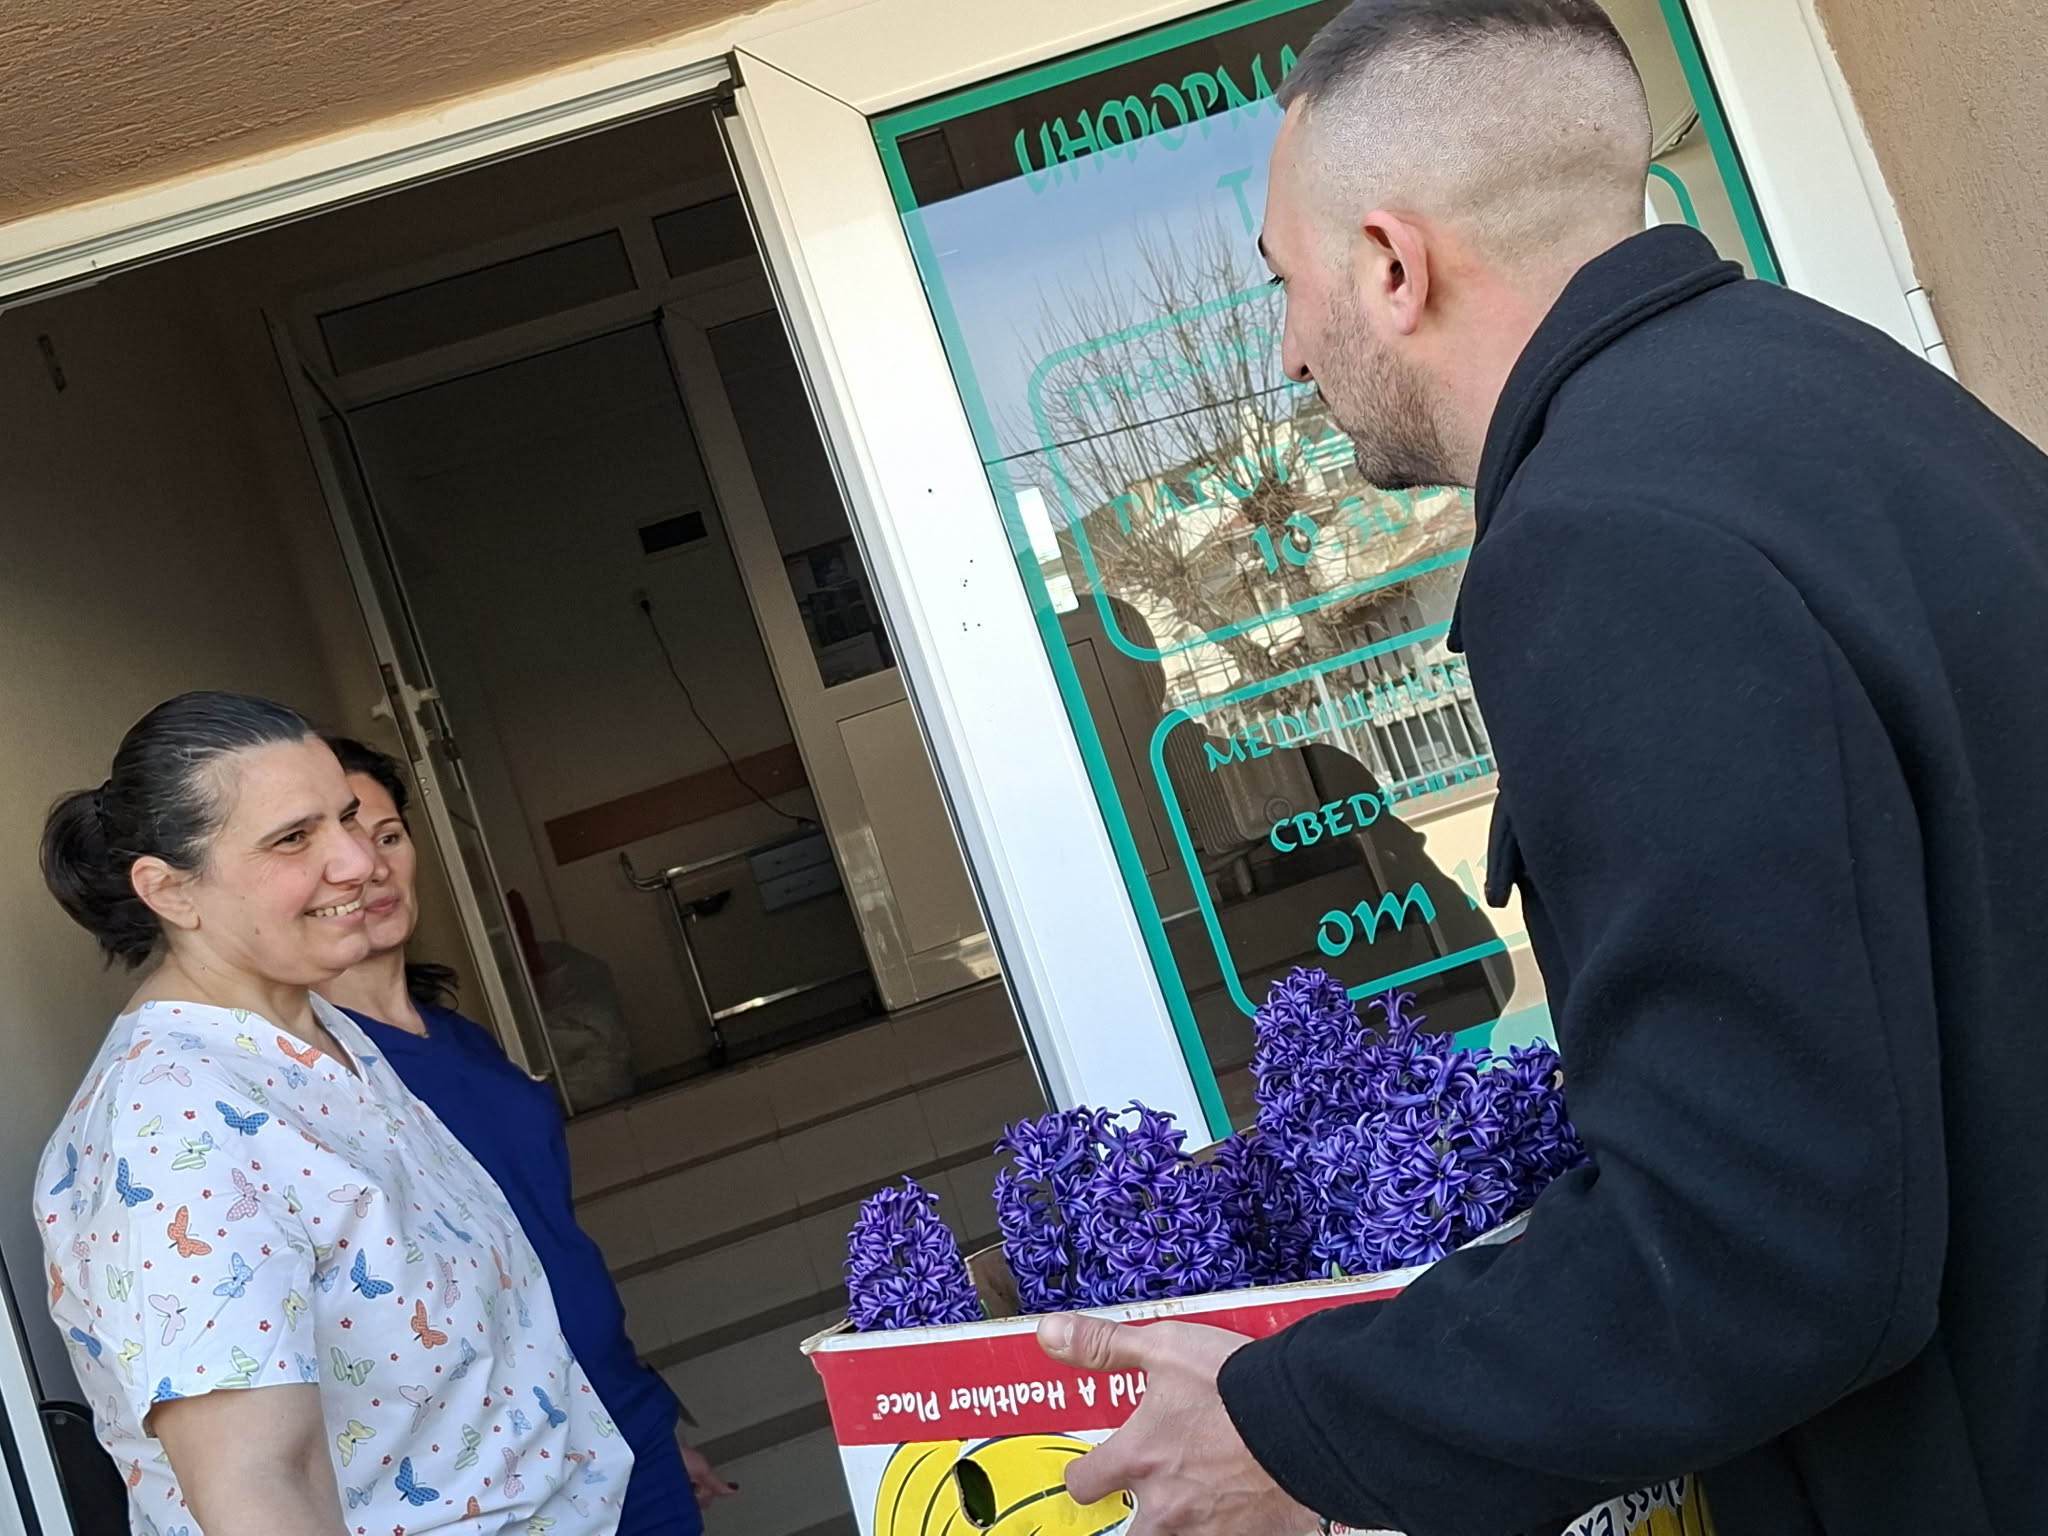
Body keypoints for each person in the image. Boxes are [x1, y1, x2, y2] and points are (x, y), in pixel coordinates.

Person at [1033, 3, 2048, 1534]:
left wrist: (1300, 1438)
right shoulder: (1848, 399)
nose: (1288, 350)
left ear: (1393, 264)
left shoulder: (1605, 541)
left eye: (1287, 285)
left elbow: (1760, 1245)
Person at [34, 692, 632, 1536]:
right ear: (170, 891)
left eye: (349, 817)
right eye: (293, 838)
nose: (356, 861)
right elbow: (258, 1489)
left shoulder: (319, 1034)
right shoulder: (171, 1127)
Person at [318, 738, 737, 1536]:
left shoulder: (459, 1038)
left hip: (621, 1422)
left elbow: (543, 1242)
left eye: (387, 835)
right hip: (504, 1478)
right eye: (338, 845)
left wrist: (642, 1423)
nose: (369, 866)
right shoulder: (320, 1074)